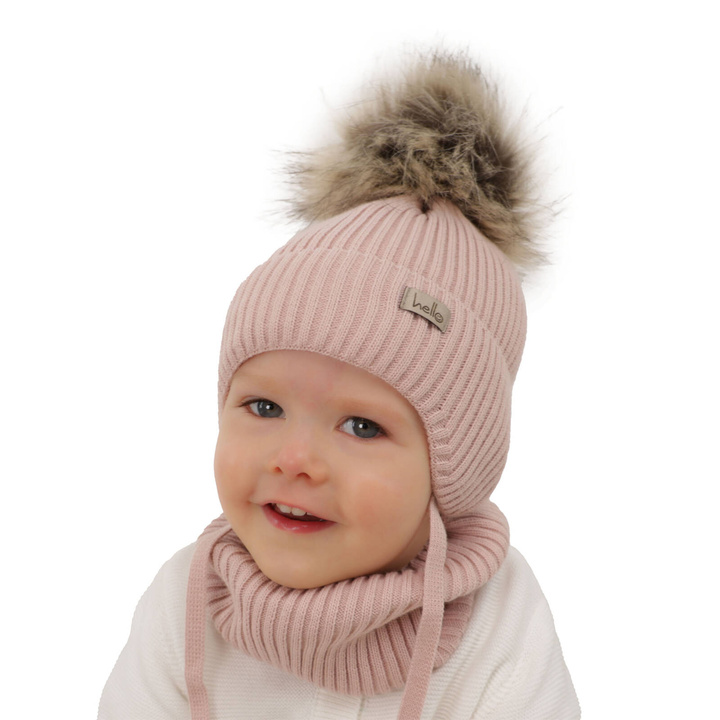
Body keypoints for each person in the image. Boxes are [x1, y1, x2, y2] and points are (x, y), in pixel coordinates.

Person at [98, 50, 580, 720]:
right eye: (264, 406)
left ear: (454, 471)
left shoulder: (498, 629)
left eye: (362, 425)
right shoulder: (189, 601)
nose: (294, 459)